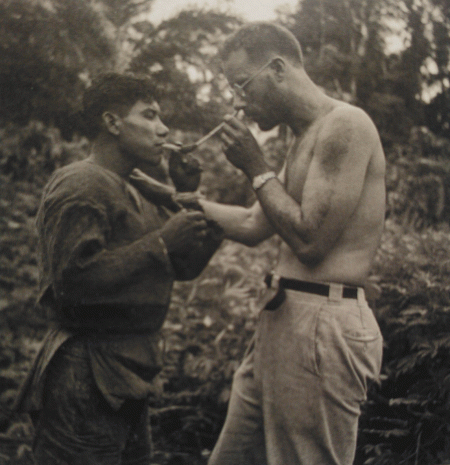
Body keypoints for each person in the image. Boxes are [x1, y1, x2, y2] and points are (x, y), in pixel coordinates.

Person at [199, 22, 386, 465]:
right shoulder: (302, 138)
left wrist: (255, 166)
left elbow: (309, 241)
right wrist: (176, 199)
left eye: (241, 85)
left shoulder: (345, 124)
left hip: (322, 326)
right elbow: (250, 223)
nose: (238, 101)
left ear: (278, 69)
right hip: (282, 321)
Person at [14, 73, 220, 465]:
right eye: (150, 116)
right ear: (112, 123)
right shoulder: (81, 183)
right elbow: (71, 284)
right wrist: (161, 241)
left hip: (125, 376)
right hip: (85, 373)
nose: (164, 130)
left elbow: (182, 265)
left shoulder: (136, 187)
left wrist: (188, 195)